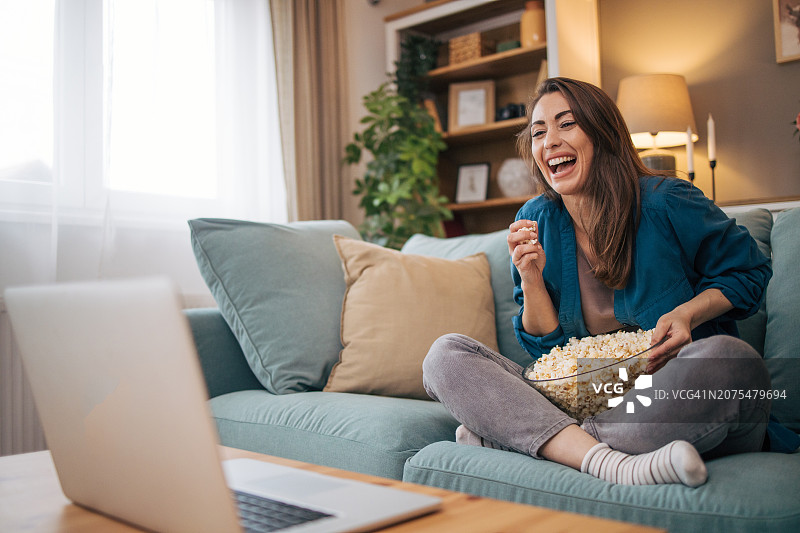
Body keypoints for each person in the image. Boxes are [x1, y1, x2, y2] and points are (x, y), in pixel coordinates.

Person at [422, 77, 774, 487]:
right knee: (445, 355)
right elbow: (547, 354)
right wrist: (531, 278)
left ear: (602, 132)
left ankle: (526, 441)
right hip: (584, 399)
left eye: (566, 124)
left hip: (662, 393)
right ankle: (611, 462)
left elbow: (749, 272)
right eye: (538, 132)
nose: (549, 141)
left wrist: (685, 314)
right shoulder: (537, 218)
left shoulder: (667, 200)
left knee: (732, 362)